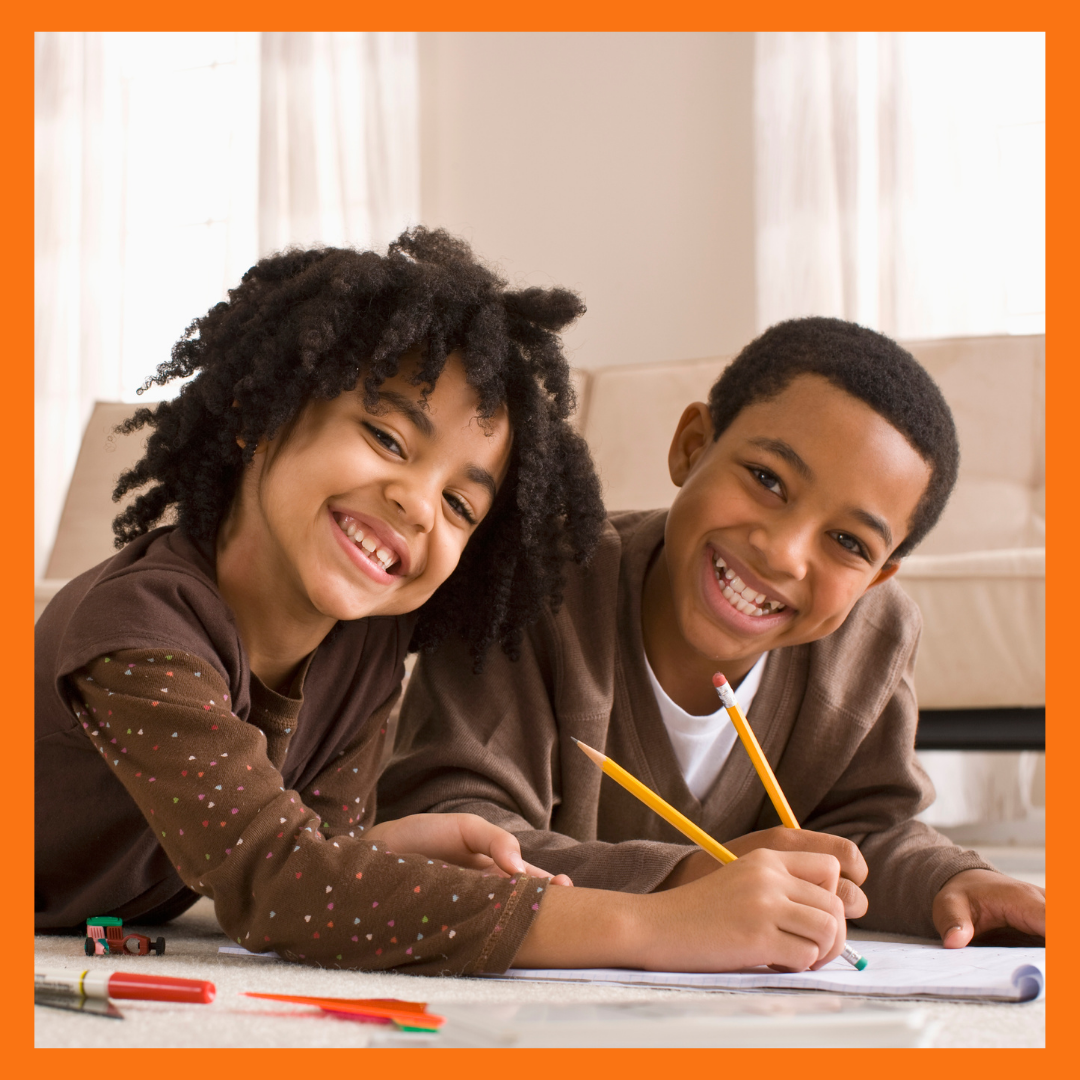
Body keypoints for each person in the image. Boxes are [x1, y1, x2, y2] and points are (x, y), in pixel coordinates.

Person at [36, 233, 857, 977]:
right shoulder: (143, 633)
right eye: (389, 439)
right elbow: (281, 890)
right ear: (261, 412)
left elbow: (310, 851)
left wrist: (377, 849)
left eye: (461, 505)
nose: (418, 505)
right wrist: (662, 927)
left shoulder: (366, 644)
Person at [380, 316, 1047, 949]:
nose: (783, 553)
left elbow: (863, 834)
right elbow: (451, 827)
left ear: (876, 578)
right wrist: (690, 880)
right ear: (692, 446)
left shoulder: (874, 635)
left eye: (847, 541)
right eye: (767, 480)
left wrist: (950, 879)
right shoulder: (534, 580)